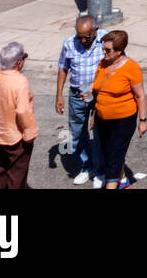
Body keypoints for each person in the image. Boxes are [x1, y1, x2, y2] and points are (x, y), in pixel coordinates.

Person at [90, 29, 147, 189]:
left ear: (119, 51)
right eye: (103, 48)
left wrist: (142, 121)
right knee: (110, 154)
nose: (104, 52)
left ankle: (114, 182)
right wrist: (89, 90)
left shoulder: (131, 68)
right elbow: (98, 85)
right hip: (102, 119)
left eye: (108, 50)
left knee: (113, 163)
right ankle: (123, 181)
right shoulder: (103, 63)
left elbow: (140, 96)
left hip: (123, 121)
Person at [55, 14, 107, 186]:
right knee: (77, 133)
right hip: (77, 93)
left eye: (86, 37)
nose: (83, 40)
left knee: (100, 133)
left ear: (95, 31)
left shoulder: (106, 40)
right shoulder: (69, 43)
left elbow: (119, 63)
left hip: (99, 94)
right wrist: (59, 95)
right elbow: (63, 68)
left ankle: (100, 171)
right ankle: (87, 166)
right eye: (80, 37)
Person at [0, 41, 37, 189]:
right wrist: (30, 134)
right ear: (19, 62)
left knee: (1, 171)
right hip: (15, 137)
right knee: (17, 176)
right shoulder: (20, 81)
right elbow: (22, 111)